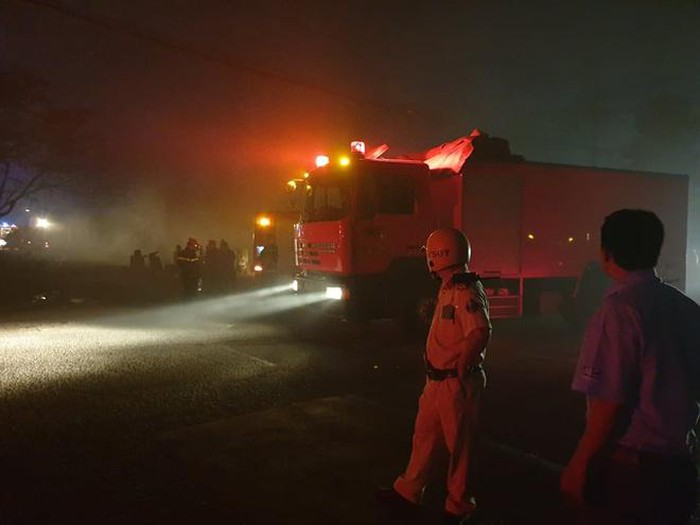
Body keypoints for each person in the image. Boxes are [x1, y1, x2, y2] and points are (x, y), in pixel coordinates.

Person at [561, 209, 700, 524]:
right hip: (679, 467)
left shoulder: (618, 312)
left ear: (606, 253)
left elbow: (608, 404)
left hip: (633, 471)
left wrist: (580, 464)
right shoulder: (686, 307)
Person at [376, 227, 492, 524]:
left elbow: (480, 331)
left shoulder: (464, 290)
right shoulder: (449, 286)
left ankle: (459, 506)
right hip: (438, 381)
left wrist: (462, 366)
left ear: (437, 256)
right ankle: (409, 491)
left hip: (454, 383)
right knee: (425, 438)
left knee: (460, 448)